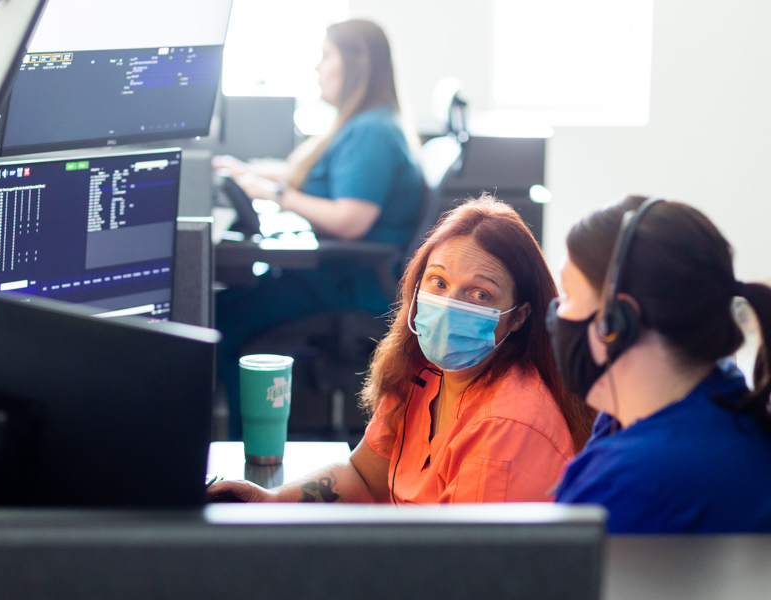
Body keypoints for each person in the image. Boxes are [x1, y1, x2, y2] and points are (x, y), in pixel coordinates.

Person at [208, 196, 596, 503]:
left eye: (480, 294)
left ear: (518, 316)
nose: (448, 305)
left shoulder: (507, 426)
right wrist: (273, 501)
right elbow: (363, 477)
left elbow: (470, 572)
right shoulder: (423, 374)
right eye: (438, 283)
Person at [213, 20, 422, 440]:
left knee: (218, 323)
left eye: (326, 56)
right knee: (227, 308)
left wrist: (274, 194)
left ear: (356, 65)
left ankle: (242, 454)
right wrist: (249, 173)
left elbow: (350, 219)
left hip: (349, 283)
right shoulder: (365, 124)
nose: (317, 67)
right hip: (337, 275)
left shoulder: (370, 133)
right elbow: (304, 177)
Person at [547, 195, 771, 533]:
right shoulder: (722, 395)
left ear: (616, 323)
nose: (557, 312)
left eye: (568, 296)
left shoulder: (633, 481)